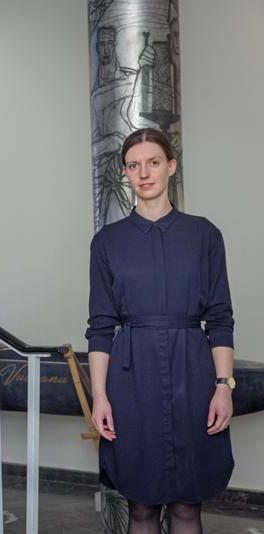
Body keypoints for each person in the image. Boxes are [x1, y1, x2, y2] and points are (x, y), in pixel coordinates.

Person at [86, 128, 234, 533]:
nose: (143, 173)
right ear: (125, 174)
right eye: (133, 166)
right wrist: (100, 396)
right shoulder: (107, 242)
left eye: (153, 162)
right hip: (132, 380)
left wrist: (223, 385)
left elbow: (220, 317)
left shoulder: (204, 235)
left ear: (171, 166)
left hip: (194, 373)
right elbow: (100, 327)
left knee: (188, 505)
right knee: (141, 506)